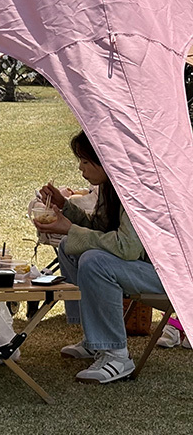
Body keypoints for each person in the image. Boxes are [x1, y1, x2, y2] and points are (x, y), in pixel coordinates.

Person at [33, 130, 166, 384]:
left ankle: (117, 356)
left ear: (104, 160)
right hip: (141, 268)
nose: (80, 168)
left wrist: (70, 229)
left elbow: (127, 247)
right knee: (69, 248)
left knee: (94, 260)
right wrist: (66, 207)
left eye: (85, 161)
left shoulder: (136, 189)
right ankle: (95, 339)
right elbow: (100, 229)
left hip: (168, 276)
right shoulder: (111, 186)